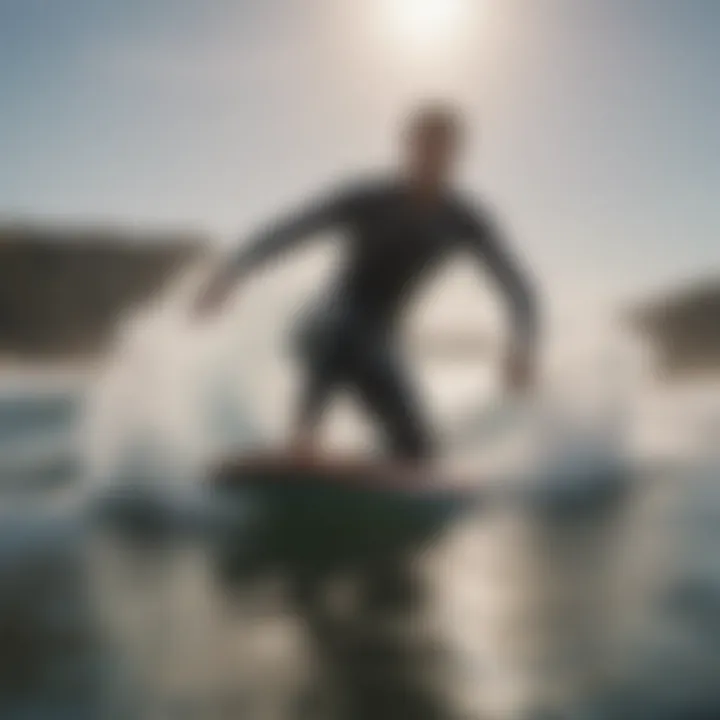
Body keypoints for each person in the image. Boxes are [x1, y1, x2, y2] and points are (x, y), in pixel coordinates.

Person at [194, 103, 539, 464]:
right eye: (423, 145)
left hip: (380, 345)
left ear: (455, 155)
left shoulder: (465, 219)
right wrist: (230, 272)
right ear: (407, 147)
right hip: (322, 327)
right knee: (346, 322)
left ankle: (367, 466)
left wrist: (524, 345)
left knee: (418, 454)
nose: (430, 157)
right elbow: (293, 229)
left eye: (442, 148)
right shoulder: (369, 199)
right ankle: (303, 434)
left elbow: (518, 287)